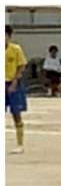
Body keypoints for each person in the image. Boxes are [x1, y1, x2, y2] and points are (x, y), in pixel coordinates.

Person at [5, 25, 28, 155]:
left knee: (16, 113)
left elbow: (21, 67)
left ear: (9, 36)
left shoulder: (15, 49)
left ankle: (20, 144)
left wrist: (14, 83)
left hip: (13, 83)